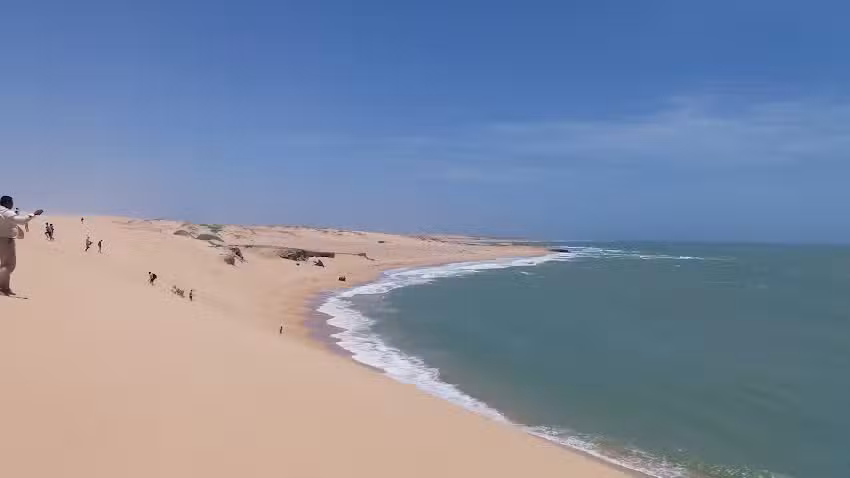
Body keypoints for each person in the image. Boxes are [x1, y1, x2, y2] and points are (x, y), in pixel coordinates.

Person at [0, 196, 43, 295]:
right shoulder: (6, 212)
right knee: (9, 266)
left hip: (3, 239)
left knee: (5, 265)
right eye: (11, 202)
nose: (12, 204)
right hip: (6, 241)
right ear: (7, 202)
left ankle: (5, 288)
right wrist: (34, 214)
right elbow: (23, 220)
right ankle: (2, 287)